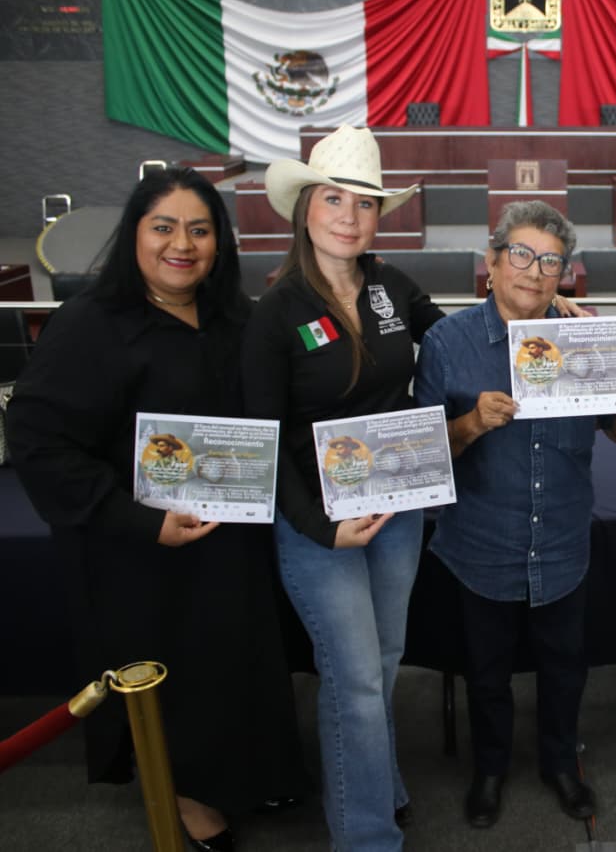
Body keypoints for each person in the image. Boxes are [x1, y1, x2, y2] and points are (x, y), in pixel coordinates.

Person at [5, 166, 307, 851]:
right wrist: (141, 520)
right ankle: (184, 793)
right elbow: (38, 439)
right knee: (178, 674)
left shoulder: (236, 317)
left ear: (220, 241)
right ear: (135, 234)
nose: (182, 244)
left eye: (200, 230)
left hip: (229, 537)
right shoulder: (90, 324)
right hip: (140, 550)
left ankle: (247, 774)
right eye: (163, 227)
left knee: (238, 659)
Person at [414, 200, 616, 828]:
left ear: (564, 275)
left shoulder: (587, 338)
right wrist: (472, 423)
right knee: (486, 673)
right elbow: (419, 454)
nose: (534, 270)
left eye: (552, 262)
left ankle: (561, 763)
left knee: (564, 668)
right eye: (521, 254)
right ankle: (490, 769)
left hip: (561, 538)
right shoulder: (447, 343)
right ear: (492, 262)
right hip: (480, 541)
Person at [240, 125, 445, 851]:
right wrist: (320, 528)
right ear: (305, 209)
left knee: (382, 664)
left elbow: (456, 339)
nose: (349, 217)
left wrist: (546, 313)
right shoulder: (276, 313)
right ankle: (366, 837)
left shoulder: (392, 287)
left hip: (396, 508)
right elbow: (264, 440)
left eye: (365, 203)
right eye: (334, 199)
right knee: (354, 677)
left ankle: (377, 783)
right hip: (318, 523)